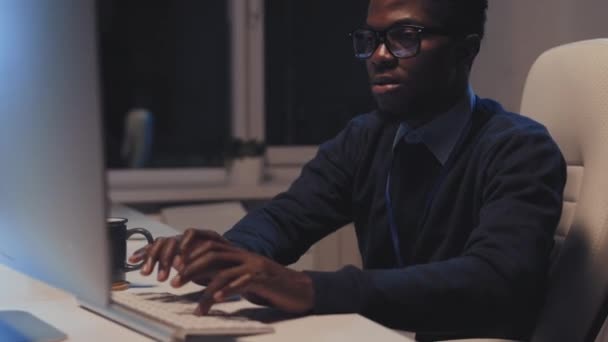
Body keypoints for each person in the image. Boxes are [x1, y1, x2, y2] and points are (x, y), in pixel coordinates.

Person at [129, 0, 566, 339]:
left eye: (405, 36)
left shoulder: (520, 149)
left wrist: (311, 289)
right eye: (371, 39)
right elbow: (286, 219)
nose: (379, 56)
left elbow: (496, 279)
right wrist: (226, 256)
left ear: (466, 51)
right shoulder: (366, 138)